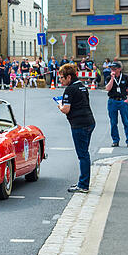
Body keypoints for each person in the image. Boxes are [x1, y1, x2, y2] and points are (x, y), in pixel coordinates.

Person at [57, 63, 95, 193]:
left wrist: (60, 106)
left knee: (82, 155)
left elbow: (66, 109)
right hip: (89, 121)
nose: (60, 80)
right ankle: (83, 182)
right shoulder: (82, 86)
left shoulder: (70, 90)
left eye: (62, 78)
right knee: (85, 152)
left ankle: (83, 185)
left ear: (69, 77)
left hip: (79, 124)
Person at [105, 62, 128, 147]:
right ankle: (115, 140)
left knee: (126, 122)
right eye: (111, 68)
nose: (112, 70)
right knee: (113, 122)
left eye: (114, 68)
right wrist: (112, 78)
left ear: (119, 69)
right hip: (112, 101)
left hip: (122, 101)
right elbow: (108, 88)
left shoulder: (125, 77)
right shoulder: (109, 77)